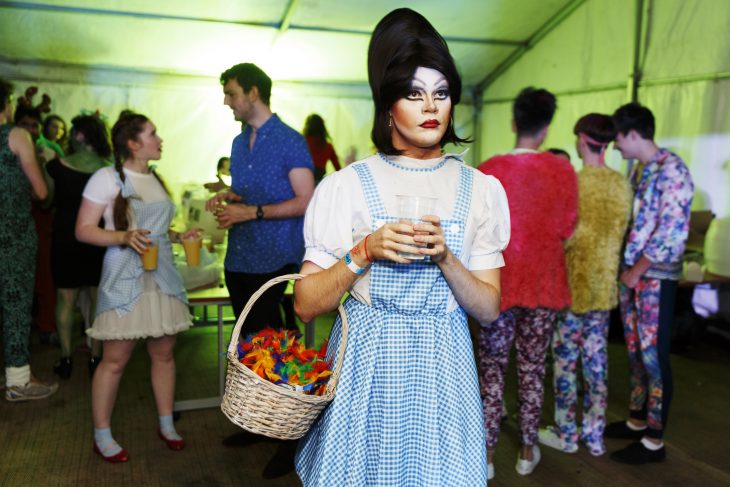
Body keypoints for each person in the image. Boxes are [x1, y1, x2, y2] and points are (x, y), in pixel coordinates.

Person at [293, 9, 509, 485]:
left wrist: (447, 258)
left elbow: (490, 310)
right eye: (414, 94)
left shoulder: (483, 190)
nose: (431, 107)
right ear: (388, 105)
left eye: (441, 93)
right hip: (366, 370)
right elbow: (306, 304)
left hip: (445, 372)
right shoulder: (346, 186)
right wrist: (363, 251)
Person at [76, 111, 197, 462]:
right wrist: (122, 236)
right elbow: (83, 229)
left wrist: (178, 235)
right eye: (153, 134)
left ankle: (166, 423)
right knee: (114, 359)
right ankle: (102, 433)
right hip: (124, 276)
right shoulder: (106, 177)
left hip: (162, 275)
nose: (160, 140)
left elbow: (157, 230)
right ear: (133, 143)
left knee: (164, 353)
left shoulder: (157, 177)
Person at [477, 87, 578, 478]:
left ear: (514, 122)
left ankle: (484, 457)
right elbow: (567, 228)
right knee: (534, 367)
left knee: (491, 369)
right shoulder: (562, 170)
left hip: (497, 284)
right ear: (547, 128)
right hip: (544, 285)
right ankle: (526, 450)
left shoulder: (489, 170)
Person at [538, 113, 631, 457]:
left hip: (571, 289)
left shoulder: (574, 184)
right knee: (597, 363)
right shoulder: (622, 184)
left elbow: (563, 238)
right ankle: (594, 435)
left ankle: (566, 433)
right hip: (604, 290)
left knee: (565, 363)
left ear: (582, 140)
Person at [606, 102, 693, 464]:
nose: (615, 147)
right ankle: (638, 420)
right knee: (637, 355)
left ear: (631, 133)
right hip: (634, 277)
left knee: (654, 359)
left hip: (653, 279)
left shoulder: (674, 171)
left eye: (617, 139)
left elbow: (671, 233)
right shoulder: (642, 169)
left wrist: (636, 270)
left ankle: (654, 441)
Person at [206, 63, 314, 334]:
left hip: (275, 257)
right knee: (246, 338)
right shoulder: (238, 143)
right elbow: (248, 193)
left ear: (253, 93)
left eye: (231, 94)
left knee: (264, 338)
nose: (225, 101)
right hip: (238, 257)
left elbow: (306, 201)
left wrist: (251, 212)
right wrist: (229, 197)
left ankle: (276, 377)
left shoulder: (290, 140)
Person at [0, 77, 57, 401]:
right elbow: (41, 191)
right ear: (6, 103)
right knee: (16, 304)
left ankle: (9, 371)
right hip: (13, 235)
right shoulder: (16, 135)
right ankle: (19, 380)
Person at [47, 113, 113, 379]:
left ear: (79, 135)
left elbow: (46, 199)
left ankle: (65, 358)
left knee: (66, 299)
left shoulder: (57, 166)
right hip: (98, 238)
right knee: (98, 300)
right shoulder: (108, 168)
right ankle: (96, 357)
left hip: (65, 239)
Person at [303, 113, 341, 183]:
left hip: (304, 178)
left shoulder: (302, 142)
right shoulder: (328, 146)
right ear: (322, 127)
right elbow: (338, 169)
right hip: (320, 181)